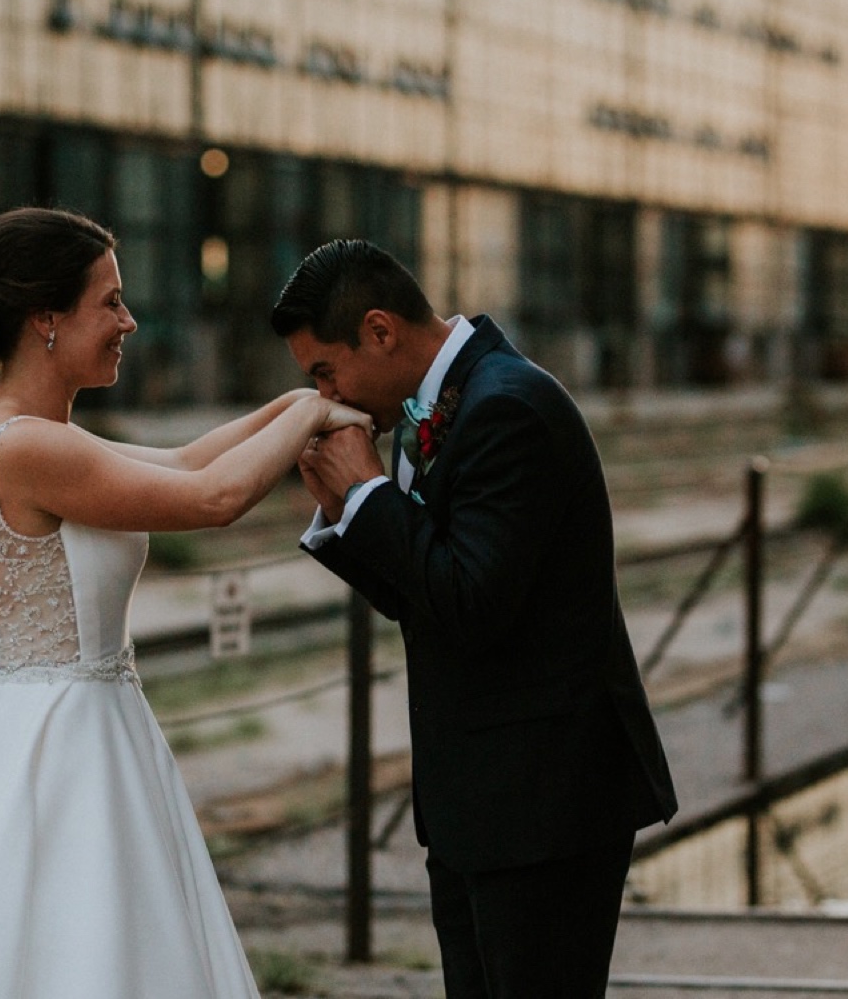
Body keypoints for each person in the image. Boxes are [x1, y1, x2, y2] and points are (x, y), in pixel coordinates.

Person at [0, 207, 369, 998]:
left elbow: (182, 459)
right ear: (46, 317)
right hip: (64, 747)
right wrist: (316, 413)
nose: (128, 321)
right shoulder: (30, 446)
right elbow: (211, 496)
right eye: (110, 301)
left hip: (80, 728)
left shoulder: (27, 434)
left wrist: (297, 400)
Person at [274, 239, 677, 999]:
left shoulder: (508, 407)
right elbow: (427, 595)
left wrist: (370, 497)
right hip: (479, 805)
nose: (326, 395)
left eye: (326, 370)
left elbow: (473, 601)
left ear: (382, 330)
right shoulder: (438, 405)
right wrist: (345, 513)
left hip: (545, 804)